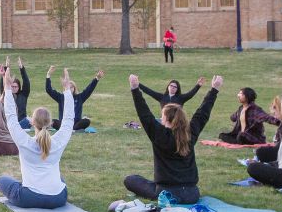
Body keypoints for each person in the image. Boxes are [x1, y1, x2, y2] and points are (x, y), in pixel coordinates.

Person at [125, 73, 223, 204]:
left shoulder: (159, 134)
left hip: (166, 193)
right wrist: (214, 89)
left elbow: (144, 114)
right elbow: (202, 113)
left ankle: (160, 192)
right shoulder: (189, 133)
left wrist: (135, 88)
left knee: (131, 180)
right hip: (191, 194)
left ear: (165, 118)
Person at [0, 67, 76, 209]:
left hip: (29, 198)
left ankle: (28, 186)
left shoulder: (25, 142)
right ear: (50, 123)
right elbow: (69, 119)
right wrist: (67, 90)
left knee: (1, 180)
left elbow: (11, 117)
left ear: (32, 122)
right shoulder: (58, 142)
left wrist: (7, 88)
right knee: (60, 179)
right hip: (58, 198)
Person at [44, 65, 104, 131]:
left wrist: (97, 78)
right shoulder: (61, 97)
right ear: (65, 88)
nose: (70, 89)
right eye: (68, 87)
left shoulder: (80, 97)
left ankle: (71, 129)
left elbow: (89, 89)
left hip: (76, 123)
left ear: (74, 88)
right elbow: (49, 90)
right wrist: (48, 75)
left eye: (71, 87)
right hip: (64, 123)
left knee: (87, 121)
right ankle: (70, 129)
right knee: (52, 121)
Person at [138, 77, 205, 108]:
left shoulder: (181, 98)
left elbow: (190, 94)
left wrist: (198, 85)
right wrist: (137, 84)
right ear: (168, 87)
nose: (172, 87)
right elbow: (149, 91)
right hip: (165, 121)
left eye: (175, 87)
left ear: (177, 89)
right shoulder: (162, 97)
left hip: (177, 122)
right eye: (171, 85)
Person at [10, 56, 32, 130]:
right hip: (11, 123)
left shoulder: (23, 95)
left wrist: (21, 68)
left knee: (29, 120)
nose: (14, 88)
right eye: (12, 86)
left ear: (19, 87)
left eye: (15, 87)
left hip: (22, 121)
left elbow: (26, 81)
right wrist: (6, 68)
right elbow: (3, 84)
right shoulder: (7, 96)